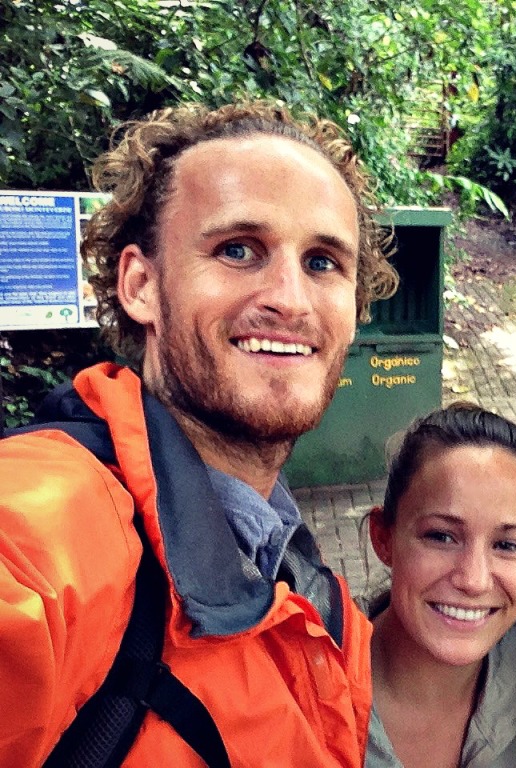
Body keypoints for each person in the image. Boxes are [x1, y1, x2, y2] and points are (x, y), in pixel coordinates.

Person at [0, 100, 399, 766]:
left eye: (324, 262)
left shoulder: (309, 589)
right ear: (141, 285)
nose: (290, 299)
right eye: (238, 250)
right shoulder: (50, 531)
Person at [365, 403, 516, 768]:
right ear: (384, 538)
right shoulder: (305, 692)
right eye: (441, 537)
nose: (474, 580)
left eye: (507, 545)